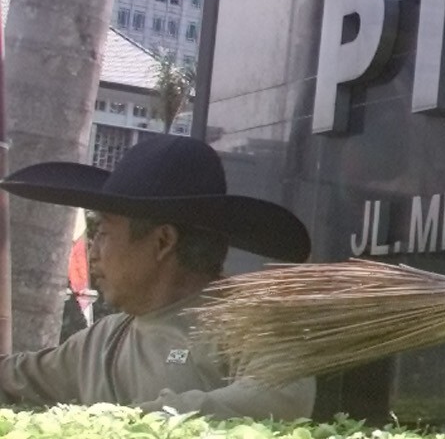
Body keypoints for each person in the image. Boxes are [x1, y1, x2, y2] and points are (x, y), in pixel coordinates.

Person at [0, 133, 315, 419]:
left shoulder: (255, 326)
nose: (93, 252)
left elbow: (278, 400)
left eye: (105, 233)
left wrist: (121, 424)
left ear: (163, 241)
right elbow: (14, 379)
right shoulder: (100, 342)